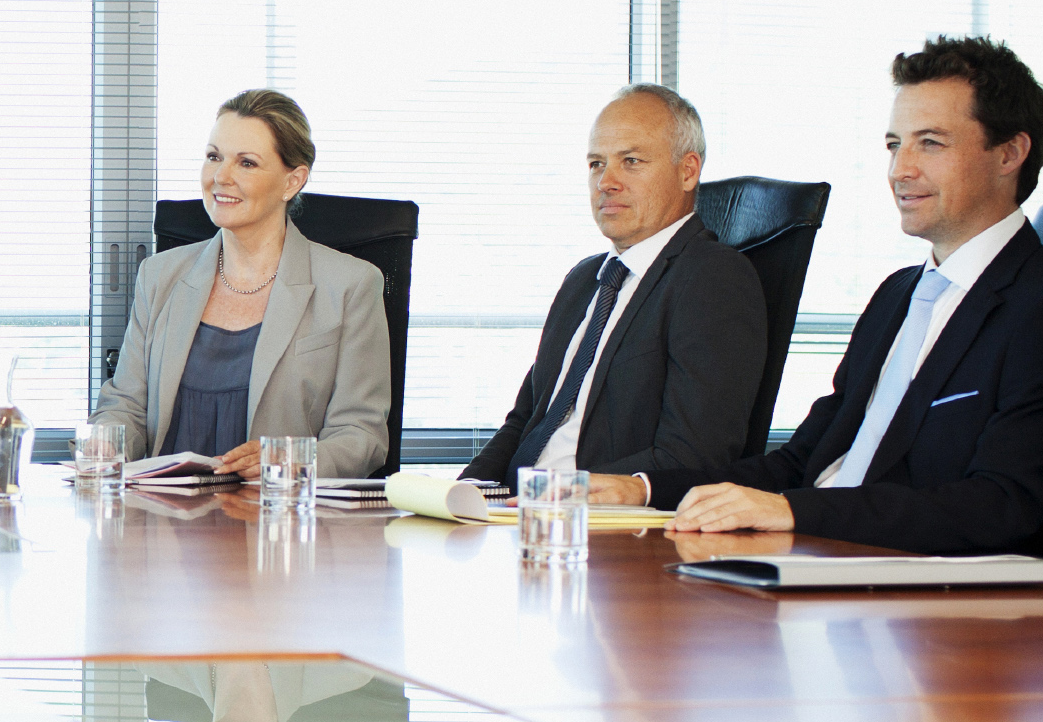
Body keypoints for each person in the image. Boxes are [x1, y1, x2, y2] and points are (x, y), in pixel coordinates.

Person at [654, 37, 1043, 555]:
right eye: (895, 145)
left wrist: (794, 513)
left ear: (1009, 153)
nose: (900, 170)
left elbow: (1002, 507)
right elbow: (802, 463)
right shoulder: (897, 296)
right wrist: (641, 490)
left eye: (930, 143)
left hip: (925, 600)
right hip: (819, 559)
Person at [464, 85, 768, 497]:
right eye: (596, 164)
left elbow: (694, 454)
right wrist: (465, 492)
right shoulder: (584, 279)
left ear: (688, 171)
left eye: (631, 161)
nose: (606, 182)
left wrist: (566, 494)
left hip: (602, 526)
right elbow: (525, 421)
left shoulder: (713, 278)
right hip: (518, 514)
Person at [92, 90, 394, 478]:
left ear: (293, 181)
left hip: (276, 522)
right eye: (214, 156)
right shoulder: (160, 276)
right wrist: (104, 442)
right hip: (162, 516)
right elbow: (126, 405)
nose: (221, 176)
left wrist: (292, 462)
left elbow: (361, 434)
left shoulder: (351, 285)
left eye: (246, 162)